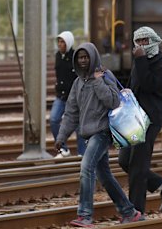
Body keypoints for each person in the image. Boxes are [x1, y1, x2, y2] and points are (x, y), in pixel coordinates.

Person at [55, 42, 143, 227]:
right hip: (88, 135)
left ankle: (85, 215)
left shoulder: (105, 76)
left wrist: (97, 81)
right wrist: (61, 137)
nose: (83, 60)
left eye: (86, 57)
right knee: (104, 176)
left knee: (86, 167)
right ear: (76, 61)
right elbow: (71, 112)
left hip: (103, 133)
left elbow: (113, 101)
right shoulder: (77, 83)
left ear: (93, 57)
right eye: (80, 58)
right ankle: (129, 212)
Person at [118, 26, 162, 215]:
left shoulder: (160, 62)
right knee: (124, 160)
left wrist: (141, 59)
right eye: (139, 41)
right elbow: (135, 83)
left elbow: (149, 84)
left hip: (150, 118)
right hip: (134, 117)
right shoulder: (139, 60)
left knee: (138, 165)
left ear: (153, 41)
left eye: (145, 41)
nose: (142, 45)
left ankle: (136, 211)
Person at [51, 31, 86, 158]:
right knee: (54, 120)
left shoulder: (76, 57)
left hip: (74, 98)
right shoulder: (57, 56)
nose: (60, 44)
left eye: (62, 42)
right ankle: (63, 149)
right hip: (61, 96)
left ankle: (82, 153)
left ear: (69, 43)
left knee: (78, 126)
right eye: (59, 42)